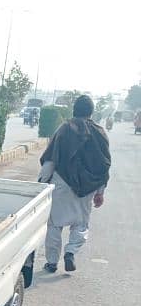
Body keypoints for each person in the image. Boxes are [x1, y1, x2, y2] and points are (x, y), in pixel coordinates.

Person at [39, 95, 111, 273]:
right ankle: (70, 252)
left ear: (74, 110)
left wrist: (41, 183)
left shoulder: (64, 129)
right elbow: (103, 165)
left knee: (54, 224)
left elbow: (51, 158)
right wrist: (100, 191)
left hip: (61, 183)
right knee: (81, 223)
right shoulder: (100, 132)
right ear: (91, 112)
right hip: (87, 188)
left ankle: (52, 262)